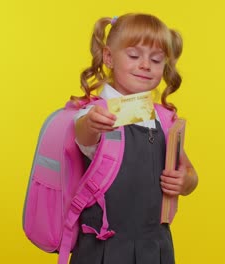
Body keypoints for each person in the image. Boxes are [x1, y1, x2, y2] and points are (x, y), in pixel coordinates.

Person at [70, 13, 198, 264]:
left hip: (155, 247)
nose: (145, 65)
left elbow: (190, 172)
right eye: (134, 56)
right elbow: (83, 133)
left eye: (156, 59)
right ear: (108, 57)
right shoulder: (96, 112)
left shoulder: (162, 118)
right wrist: (92, 123)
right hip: (104, 249)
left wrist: (185, 181)